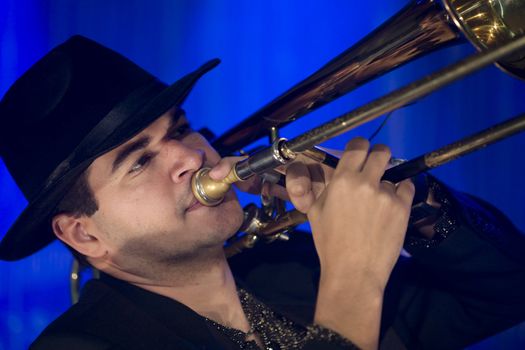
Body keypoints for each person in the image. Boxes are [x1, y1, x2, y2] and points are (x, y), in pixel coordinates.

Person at [0, 35, 524, 350]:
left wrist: (411, 204)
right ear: (84, 234)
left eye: (180, 129)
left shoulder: (291, 269)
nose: (190, 156)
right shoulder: (84, 345)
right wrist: (353, 278)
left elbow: (507, 294)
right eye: (139, 161)